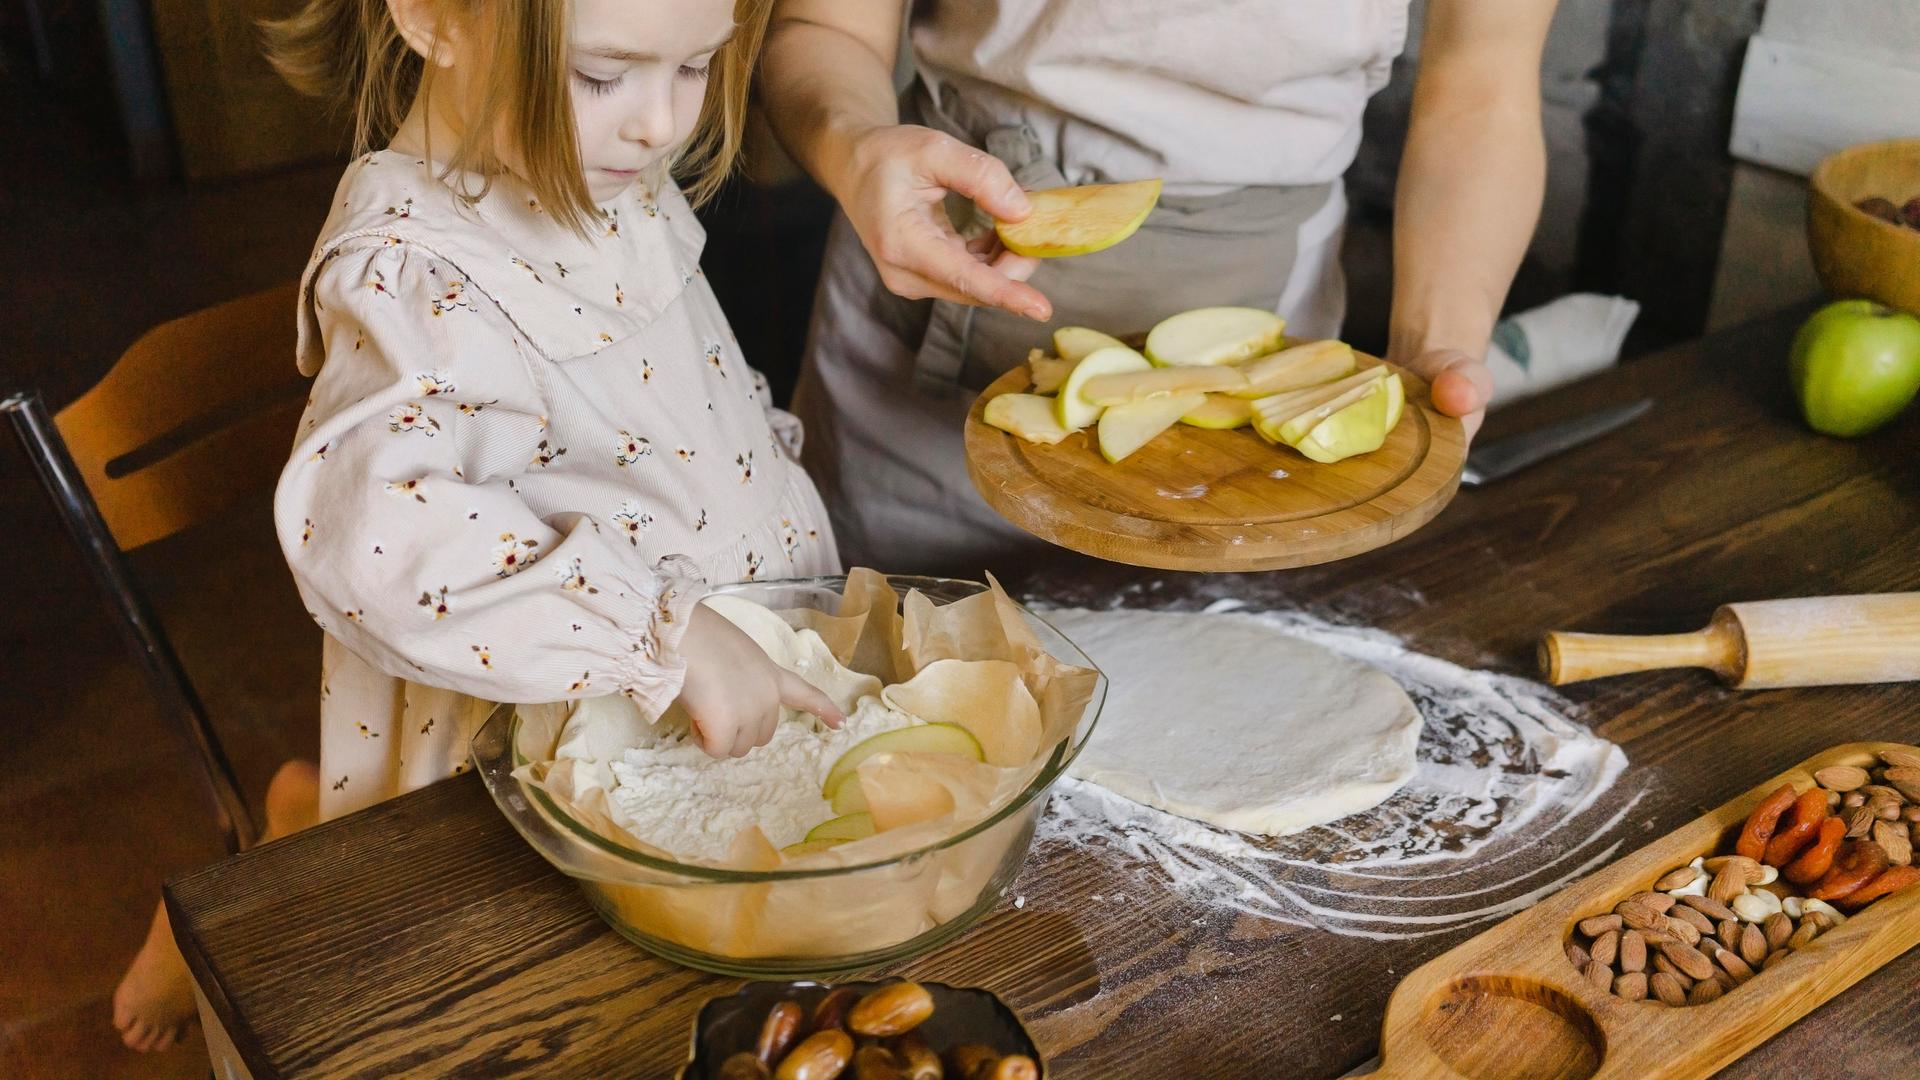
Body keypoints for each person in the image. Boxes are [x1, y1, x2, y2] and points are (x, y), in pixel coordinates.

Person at [112, 0, 843, 1052]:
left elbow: (681, 406)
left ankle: (299, 810)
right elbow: (377, 533)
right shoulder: (415, 272)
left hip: (689, 712)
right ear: (431, 16)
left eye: (699, 64)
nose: (661, 122)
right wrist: (661, 631)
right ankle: (259, 874)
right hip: (537, 739)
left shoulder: (596, 171)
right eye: (607, 75)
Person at [762, 0, 1560, 572]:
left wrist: (1438, 342)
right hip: (922, 319)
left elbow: (1480, 87)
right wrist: (859, 146)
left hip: (1261, 390)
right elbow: (825, 28)